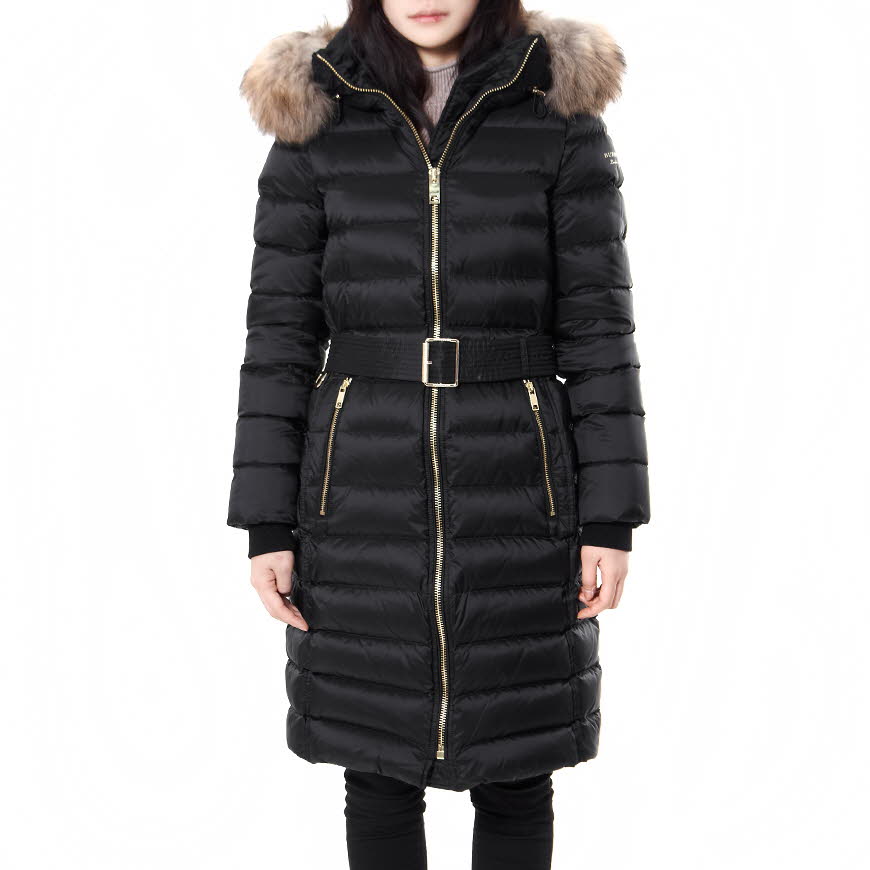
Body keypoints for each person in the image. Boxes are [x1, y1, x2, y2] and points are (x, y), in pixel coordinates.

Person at [227, 2, 651, 867]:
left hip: (520, 481)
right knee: (376, 766)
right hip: (357, 486)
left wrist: (611, 518)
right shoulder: (317, 119)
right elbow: (278, 340)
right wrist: (267, 522)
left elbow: (599, 331)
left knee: (519, 766)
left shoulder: (558, 116)